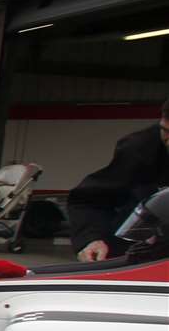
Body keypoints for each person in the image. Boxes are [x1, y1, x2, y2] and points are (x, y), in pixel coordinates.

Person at [72, 98, 169, 261]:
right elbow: (91, 199)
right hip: (140, 253)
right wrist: (91, 239)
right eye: (165, 131)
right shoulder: (141, 148)